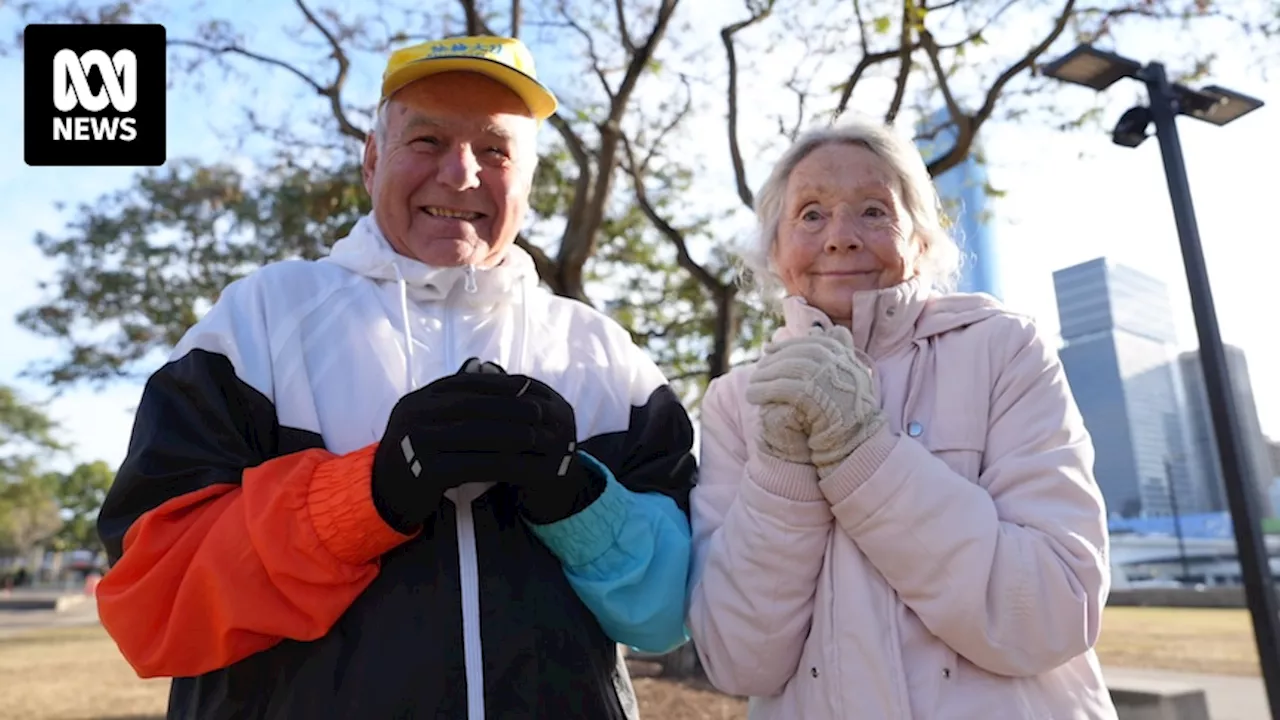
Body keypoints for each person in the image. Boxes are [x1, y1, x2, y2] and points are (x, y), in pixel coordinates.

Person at [95, 35, 696, 720]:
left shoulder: (604, 352)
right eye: (428, 140)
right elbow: (149, 598)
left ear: (527, 177)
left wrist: (578, 499)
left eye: (496, 150)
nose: (462, 173)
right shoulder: (259, 319)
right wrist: (366, 496)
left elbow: (671, 617)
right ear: (373, 158)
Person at [686, 118, 1117, 719]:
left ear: (919, 238)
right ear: (775, 251)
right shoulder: (738, 403)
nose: (839, 237)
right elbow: (738, 660)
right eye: (810, 214)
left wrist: (861, 451)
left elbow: (1054, 611)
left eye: (872, 210)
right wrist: (781, 474)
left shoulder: (1005, 349)